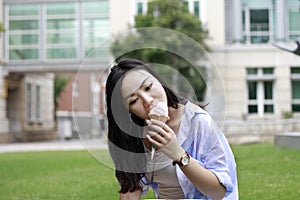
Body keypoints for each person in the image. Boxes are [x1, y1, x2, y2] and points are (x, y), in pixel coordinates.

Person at [106, 58, 238, 199]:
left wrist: (178, 154)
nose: (147, 100)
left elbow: (219, 192)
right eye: (133, 100)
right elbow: (131, 189)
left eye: (148, 87)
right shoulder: (134, 134)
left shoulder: (198, 122)